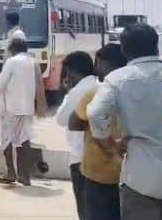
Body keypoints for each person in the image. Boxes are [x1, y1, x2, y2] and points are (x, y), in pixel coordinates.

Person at [88, 25, 162, 220]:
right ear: (156, 45)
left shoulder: (117, 79)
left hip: (141, 179)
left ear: (124, 50)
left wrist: (112, 146)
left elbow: (95, 113)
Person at [69, 43, 127, 220]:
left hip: (99, 174)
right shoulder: (138, 89)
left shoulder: (97, 91)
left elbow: (73, 122)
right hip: (132, 176)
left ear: (103, 63)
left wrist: (93, 127)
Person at [0, 38, 47, 185]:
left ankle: (11, 173)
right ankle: (25, 176)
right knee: (25, 140)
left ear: (12, 49)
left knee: (7, 140)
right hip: (27, 108)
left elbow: (1, 83)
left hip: (11, 108)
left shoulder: (12, 62)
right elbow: (39, 84)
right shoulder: (32, 62)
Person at [55, 51, 97, 220]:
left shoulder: (78, 91)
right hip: (99, 158)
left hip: (80, 158)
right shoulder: (98, 84)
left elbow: (61, 119)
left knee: (84, 209)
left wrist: (67, 93)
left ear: (72, 71)